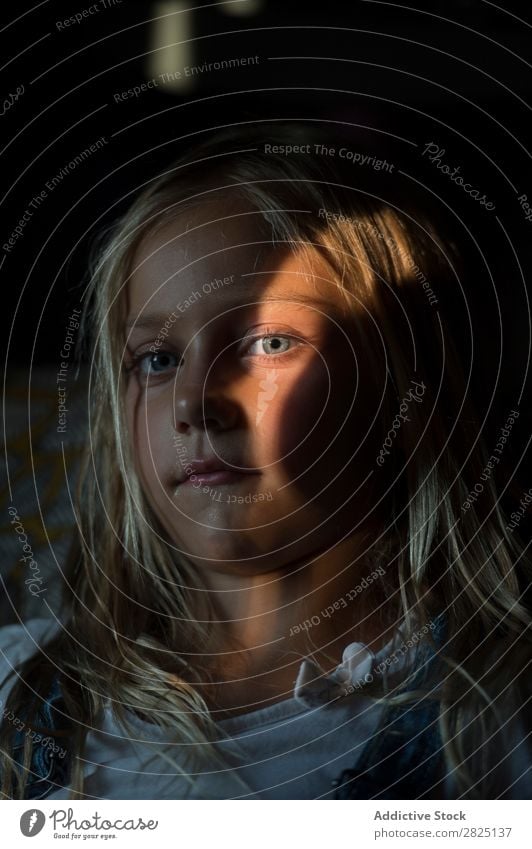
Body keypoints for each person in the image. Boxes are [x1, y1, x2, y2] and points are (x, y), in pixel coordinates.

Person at [1, 122, 531, 800]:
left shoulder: (496, 719)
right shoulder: (23, 692)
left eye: (268, 341)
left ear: (402, 385)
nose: (195, 400)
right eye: (158, 360)